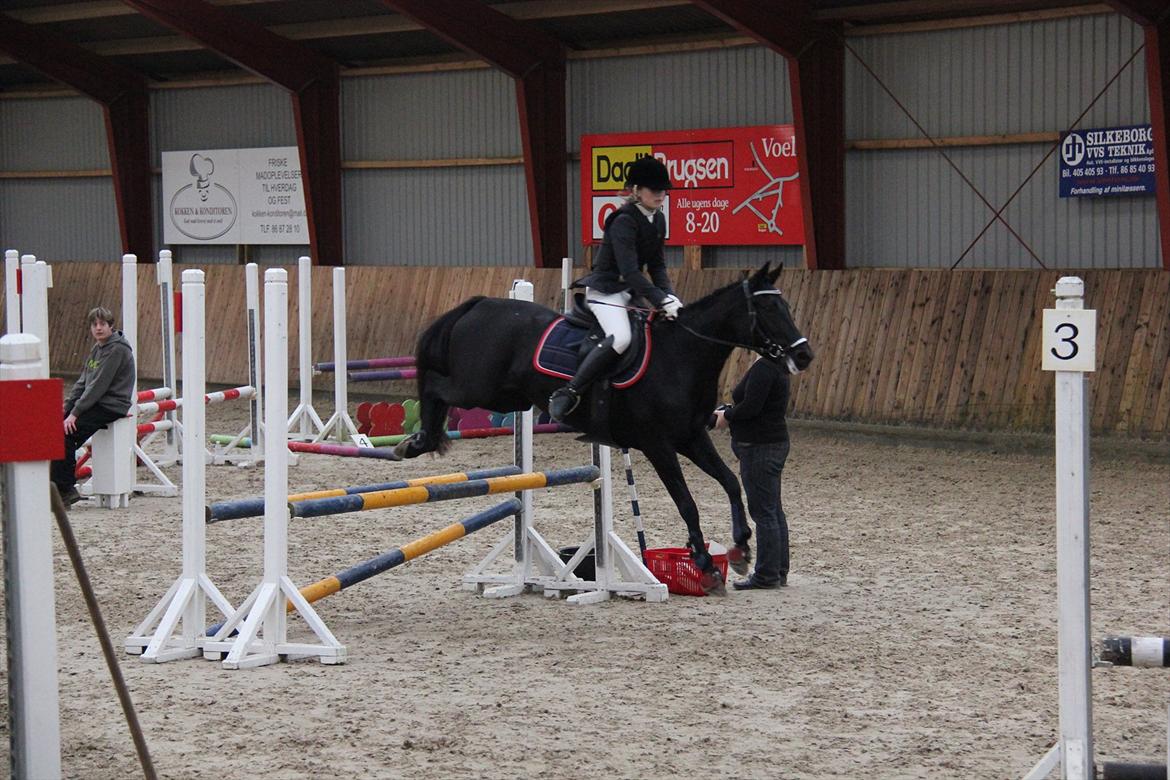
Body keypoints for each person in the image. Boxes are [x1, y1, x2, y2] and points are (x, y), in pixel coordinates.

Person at [548, 155, 684, 421]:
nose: (661, 195)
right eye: (655, 190)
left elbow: (657, 266)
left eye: (663, 190)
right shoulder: (623, 220)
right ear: (637, 190)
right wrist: (658, 299)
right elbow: (630, 271)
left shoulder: (658, 220)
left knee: (658, 333)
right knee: (621, 338)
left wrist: (669, 296)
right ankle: (571, 391)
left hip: (630, 294)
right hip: (605, 292)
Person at [712, 355, 792, 590]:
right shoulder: (775, 364)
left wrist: (727, 416)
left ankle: (767, 575)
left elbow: (752, 407)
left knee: (764, 512)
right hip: (770, 443)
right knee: (773, 509)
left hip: (760, 446)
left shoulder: (765, 367)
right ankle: (778, 570)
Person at [51, 306, 136, 506]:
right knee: (57, 429)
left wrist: (75, 413)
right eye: (95, 324)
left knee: (66, 434)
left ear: (111, 326)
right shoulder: (97, 348)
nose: (98, 328)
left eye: (102, 324)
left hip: (112, 404)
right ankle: (58, 485)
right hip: (99, 402)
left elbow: (98, 386)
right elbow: (83, 381)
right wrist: (67, 408)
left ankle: (65, 489)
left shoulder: (117, 350)